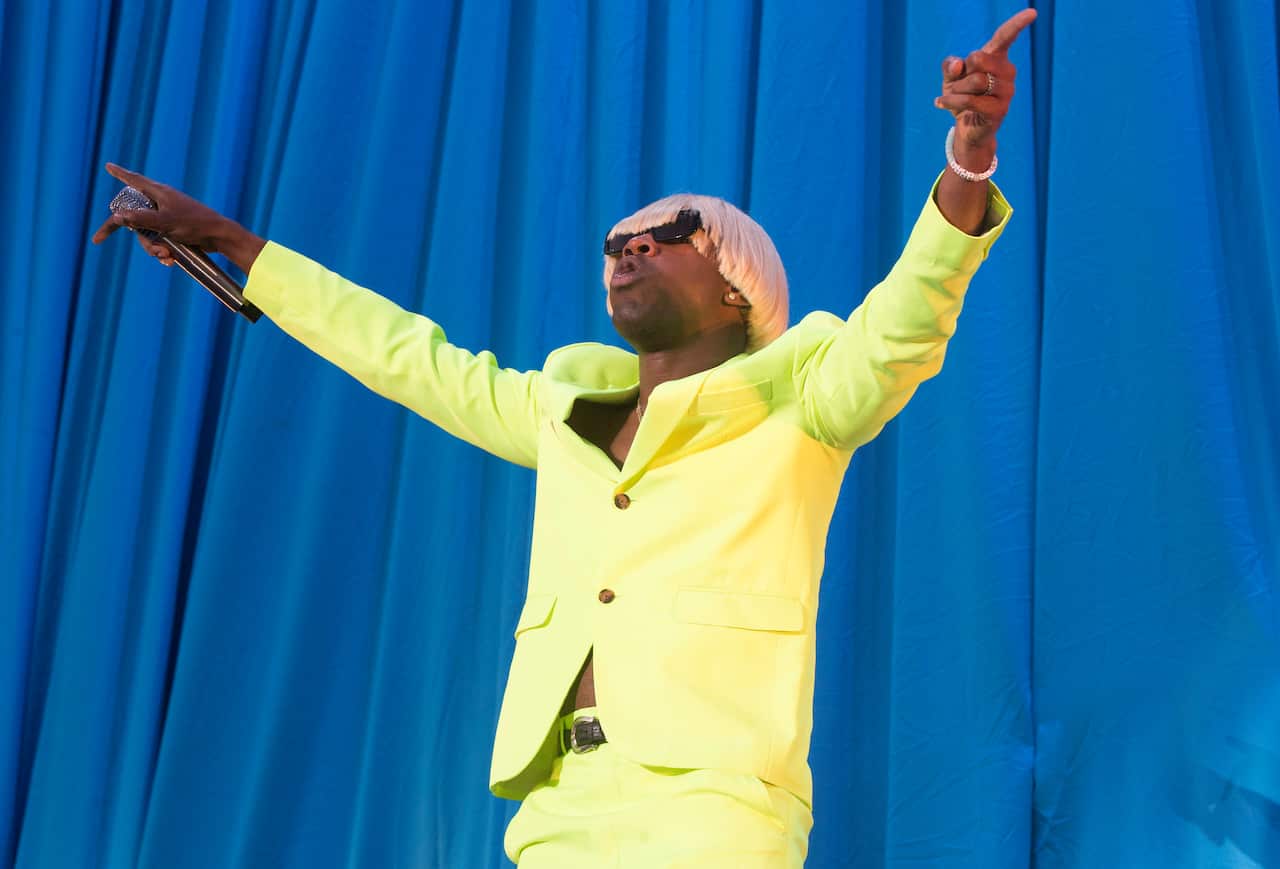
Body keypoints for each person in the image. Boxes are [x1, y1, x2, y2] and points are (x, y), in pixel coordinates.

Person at [92, 10, 1035, 866]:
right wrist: (240, 245)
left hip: (714, 806)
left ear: (737, 290)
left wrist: (968, 161)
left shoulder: (805, 399)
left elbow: (908, 320)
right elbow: (403, 356)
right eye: (616, 244)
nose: (629, 250)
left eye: (668, 236)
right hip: (556, 804)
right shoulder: (563, 410)